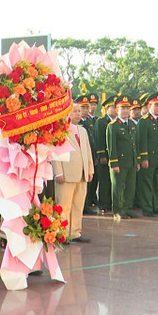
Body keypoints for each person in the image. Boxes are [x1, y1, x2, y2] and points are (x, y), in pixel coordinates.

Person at [51, 103, 94, 243]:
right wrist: (58, 172)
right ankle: (62, 234)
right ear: (66, 113)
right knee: (64, 205)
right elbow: (55, 152)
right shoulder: (60, 130)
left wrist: (89, 170)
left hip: (81, 174)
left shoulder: (83, 131)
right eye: (75, 111)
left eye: (79, 111)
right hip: (66, 174)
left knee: (78, 204)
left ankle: (75, 232)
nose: (78, 113)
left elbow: (87, 152)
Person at [107, 95, 140, 220]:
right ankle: (117, 210)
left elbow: (134, 144)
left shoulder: (131, 124)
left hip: (130, 161)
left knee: (130, 188)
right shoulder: (113, 125)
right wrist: (114, 163)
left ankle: (126, 208)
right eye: (123, 108)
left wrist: (137, 160)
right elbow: (111, 146)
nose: (125, 110)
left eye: (127, 108)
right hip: (119, 162)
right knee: (118, 187)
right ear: (117, 109)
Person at [136, 93, 158, 217]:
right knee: (147, 183)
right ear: (149, 106)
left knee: (157, 183)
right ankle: (147, 207)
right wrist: (143, 158)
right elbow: (142, 140)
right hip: (149, 158)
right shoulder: (144, 121)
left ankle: (156, 205)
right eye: (156, 105)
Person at [93, 96, 117, 213]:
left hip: (114, 156)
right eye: (113, 107)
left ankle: (111, 202)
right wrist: (101, 154)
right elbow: (99, 139)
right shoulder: (101, 121)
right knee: (104, 180)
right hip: (105, 156)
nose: (115, 109)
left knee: (113, 181)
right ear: (107, 108)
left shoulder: (116, 122)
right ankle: (103, 203)